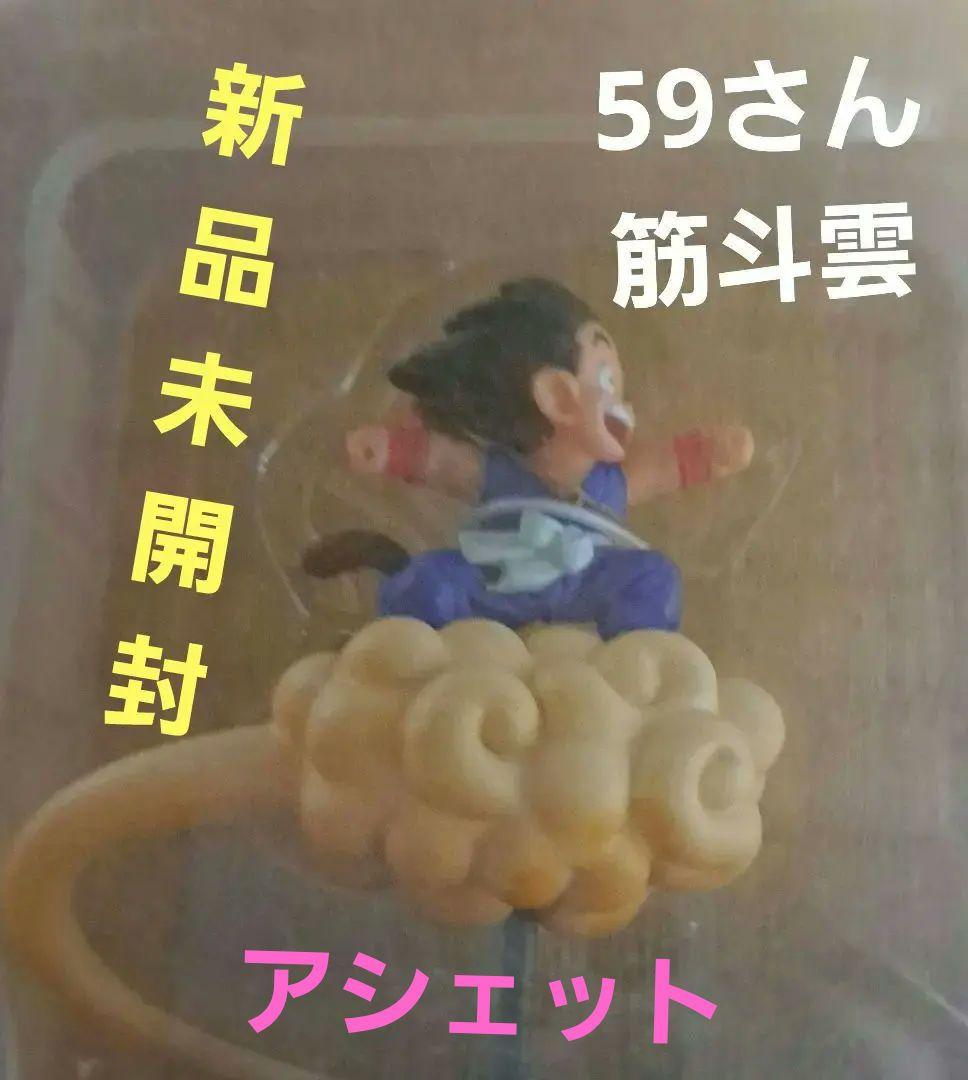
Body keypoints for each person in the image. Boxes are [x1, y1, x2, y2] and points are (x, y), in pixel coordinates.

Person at [304, 278, 753, 639]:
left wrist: (708, 455)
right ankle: (414, 656)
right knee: (430, 583)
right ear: (557, 396)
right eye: (606, 381)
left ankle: (637, 663)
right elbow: (440, 462)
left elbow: (657, 469)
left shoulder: (605, 483)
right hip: (498, 581)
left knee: (654, 577)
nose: (622, 404)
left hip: (585, 581)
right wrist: (388, 449)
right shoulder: (501, 472)